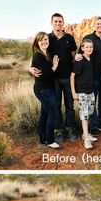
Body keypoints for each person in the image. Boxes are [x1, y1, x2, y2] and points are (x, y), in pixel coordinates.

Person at [30, 13, 77, 144]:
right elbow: (38, 54)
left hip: (68, 78)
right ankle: (58, 130)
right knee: (55, 106)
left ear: (63, 23)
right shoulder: (47, 38)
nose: (58, 23)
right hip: (53, 80)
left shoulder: (69, 38)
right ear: (51, 23)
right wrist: (31, 68)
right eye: (55, 21)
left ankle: (70, 129)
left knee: (69, 106)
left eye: (60, 21)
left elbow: (74, 56)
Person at [79, 16, 101, 135]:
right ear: (94, 25)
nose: (100, 26)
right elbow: (80, 54)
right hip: (91, 77)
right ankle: (92, 126)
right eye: (98, 24)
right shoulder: (88, 38)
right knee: (91, 103)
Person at [30, 32, 61, 149]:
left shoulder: (46, 53)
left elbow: (35, 67)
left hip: (47, 89)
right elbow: (48, 74)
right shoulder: (38, 55)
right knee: (53, 113)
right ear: (37, 42)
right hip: (43, 90)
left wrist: (30, 68)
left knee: (45, 114)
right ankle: (50, 140)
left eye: (46, 40)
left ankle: (43, 138)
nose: (44, 42)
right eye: (41, 40)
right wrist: (55, 65)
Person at [70, 38, 97, 149]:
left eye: (91, 47)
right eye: (86, 47)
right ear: (82, 48)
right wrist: (74, 93)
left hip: (90, 91)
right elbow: (72, 76)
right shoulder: (80, 60)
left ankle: (85, 134)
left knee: (89, 112)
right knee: (84, 116)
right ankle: (86, 140)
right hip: (82, 92)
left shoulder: (90, 59)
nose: (89, 49)